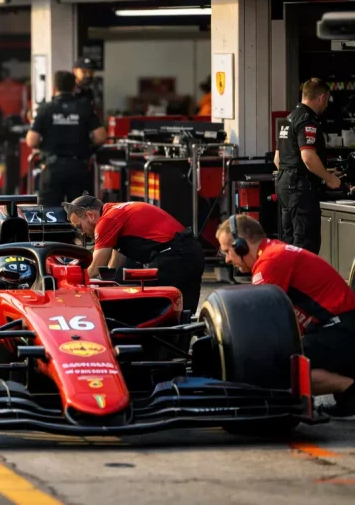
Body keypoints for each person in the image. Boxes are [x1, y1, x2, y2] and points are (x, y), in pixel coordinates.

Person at [217, 214, 355, 418]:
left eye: (228, 251)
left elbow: (260, 324)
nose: (228, 259)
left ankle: (350, 389)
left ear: (241, 245)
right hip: (339, 328)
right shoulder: (275, 250)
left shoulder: (270, 262)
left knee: (279, 367)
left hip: (343, 331)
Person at [64, 195, 205, 314]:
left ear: (90, 215)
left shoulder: (106, 221)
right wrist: (110, 280)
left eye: (79, 226)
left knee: (142, 305)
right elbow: (113, 264)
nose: (81, 232)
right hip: (190, 251)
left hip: (175, 256)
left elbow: (95, 268)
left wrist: (69, 285)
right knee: (184, 315)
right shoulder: (117, 211)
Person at [274, 78, 339, 254]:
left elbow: (278, 160)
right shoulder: (307, 121)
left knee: (288, 243)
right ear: (321, 97)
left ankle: (287, 281)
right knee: (305, 245)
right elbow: (308, 157)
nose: (326, 105)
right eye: (326, 100)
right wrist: (330, 178)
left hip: (285, 186)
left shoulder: (288, 119)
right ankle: (302, 282)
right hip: (300, 189)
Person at [26, 70, 107, 206]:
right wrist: (87, 144)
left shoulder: (45, 109)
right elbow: (100, 136)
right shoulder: (84, 107)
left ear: (54, 88)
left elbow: (31, 140)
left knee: (48, 214)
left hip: (52, 168)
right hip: (78, 168)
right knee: (81, 213)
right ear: (74, 87)